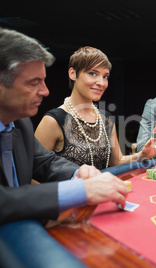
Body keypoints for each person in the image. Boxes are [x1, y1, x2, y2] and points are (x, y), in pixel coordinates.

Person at [0, 27, 129, 225]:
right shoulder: (52, 119)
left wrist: (78, 173)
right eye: (34, 83)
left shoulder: (20, 122)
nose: (45, 91)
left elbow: (44, 161)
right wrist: (80, 191)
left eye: (105, 76)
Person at [35, 46, 156, 170]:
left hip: (101, 191)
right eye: (92, 73)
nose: (101, 83)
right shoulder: (53, 121)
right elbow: (33, 175)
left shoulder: (105, 118)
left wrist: (142, 155)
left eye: (105, 76)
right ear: (73, 74)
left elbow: (116, 161)